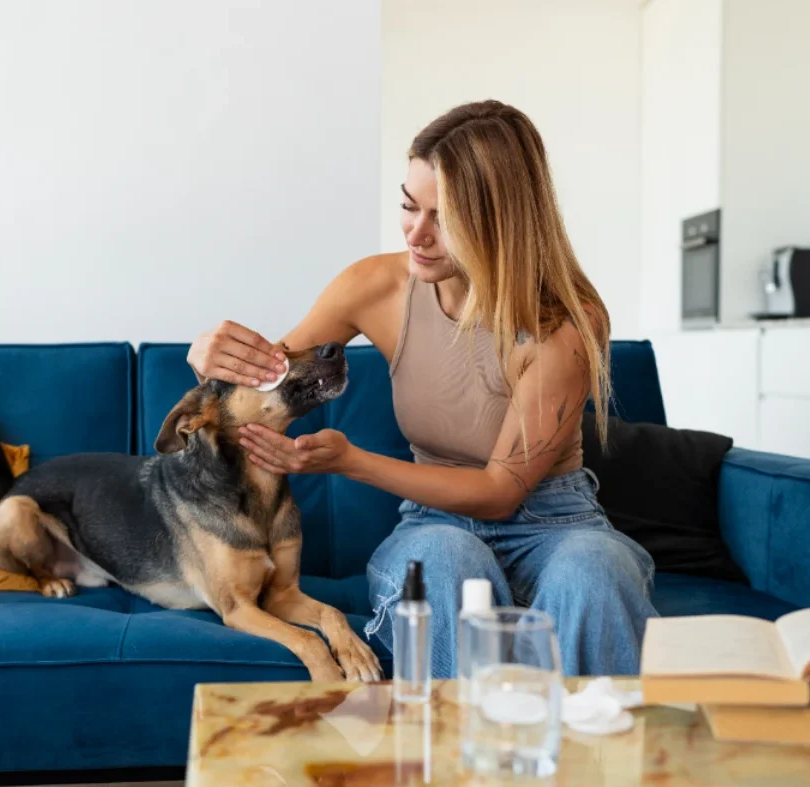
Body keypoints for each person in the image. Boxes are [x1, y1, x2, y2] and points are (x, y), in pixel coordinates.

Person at [187, 99, 659, 678]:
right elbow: (266, 379)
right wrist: (209, 358)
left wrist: (352, 462)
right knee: (446, 558)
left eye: (445, 219)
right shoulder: (375, 285)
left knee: (596, 569)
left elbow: (499, 492)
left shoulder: (564, 322)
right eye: (410, 206)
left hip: (558, 525)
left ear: (502, 223)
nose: (417, 233)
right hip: (435, 525)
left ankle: (601, 765)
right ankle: (455, 763)